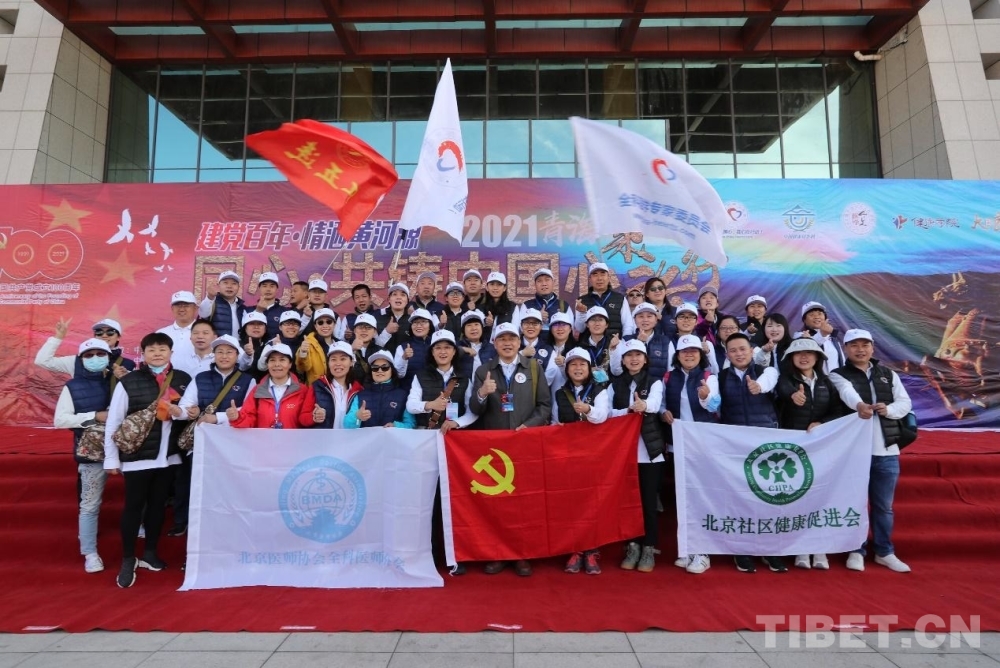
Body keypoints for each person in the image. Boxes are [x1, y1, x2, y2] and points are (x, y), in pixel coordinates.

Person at [103, 332, 192, 588]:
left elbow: (190, 411)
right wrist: (111, 459)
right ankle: (128, 558)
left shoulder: (183, 379)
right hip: (137, 458)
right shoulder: (129, 381)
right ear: (142, 354)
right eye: (151, 349)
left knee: (157, 508)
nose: (157, 353)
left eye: (162, 349)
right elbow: (114, 421)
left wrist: (181, 412)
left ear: (171, 352)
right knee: (134, 507)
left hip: (168, 458)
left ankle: (150, 552)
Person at [471, 322, 551, 576]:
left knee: (524, 502)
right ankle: (499, 553)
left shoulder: (534, 368)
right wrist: (482, 393)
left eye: (512, 339)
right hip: (495, 448)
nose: (507, 343)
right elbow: (475, 409)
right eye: (502, 339)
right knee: (497, 503)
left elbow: (545, 406)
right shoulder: (484, 370)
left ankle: (522, 553)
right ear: (494, 343)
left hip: (525, 444)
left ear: (519, 342)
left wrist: (529, 426)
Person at [830, 329, 913, 574]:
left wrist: (889, 410)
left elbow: (905, 403)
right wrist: (860, 405)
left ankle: (884, 551)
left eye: (865, 344)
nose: (860, 349)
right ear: (846, 349)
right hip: (854, 452)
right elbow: (847, 393)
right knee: (854, 504)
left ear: (872, 348)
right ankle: (856, 549)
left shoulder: (888, 374)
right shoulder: (837, 374)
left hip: (887, 450)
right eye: (854, 345)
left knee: (883, 506)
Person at [716, 332, 783, 574]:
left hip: (765, 445)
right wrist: (706, 399)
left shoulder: (767, 371)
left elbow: (769, 382)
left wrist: (758, 387)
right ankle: (741, 549)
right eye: (733, 350)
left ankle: (769, 549)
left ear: (751, 350)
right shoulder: (720, 377)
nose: (739, 353)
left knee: (767, 497)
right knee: (739, 498)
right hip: (734, 446)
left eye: (743, 349)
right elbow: (713, 403)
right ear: (727, 354)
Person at [175, 334, 254, 537]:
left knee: (229, 489)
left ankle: (229, 531)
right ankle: (195, 530)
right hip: (203, 444)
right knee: (200, 488)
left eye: (229, 352)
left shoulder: (248, 380)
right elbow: (186, 406)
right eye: (220, 352)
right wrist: (183, 412)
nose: (224, 356)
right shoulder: (201, 378)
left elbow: (250, 411)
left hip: (234, 445)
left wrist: (217, 417)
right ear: (214, 355)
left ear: (237, 356)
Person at [775, 337, 842, 571]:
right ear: (791, 358)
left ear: (818, 357)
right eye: (799, 353)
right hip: (793, 450)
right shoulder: (785, 380)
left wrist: (821, 423)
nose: (804, 357)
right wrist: (793, 396)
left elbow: (838, 411)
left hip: (822, 448)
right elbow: (783, 391)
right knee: (797, 497)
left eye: (809, 353)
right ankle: (800, 547)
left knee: (820, 496)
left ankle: (819, 546)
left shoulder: (827, 382)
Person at [53, 338, 115, 574]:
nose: (95, 359)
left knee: (138, 496)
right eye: (89, 355)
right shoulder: (72, 386)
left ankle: (138, 530)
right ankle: (89, 553)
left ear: (109, 357)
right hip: (92, 452)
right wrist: (94, 416)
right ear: (81, 360)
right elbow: (60, 420)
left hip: (126, 450)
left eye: (100, 354)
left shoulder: (122, 380)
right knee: (89, 504)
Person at [660, 334, 719, 575]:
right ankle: (687, 548)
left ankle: (703, 551)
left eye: (694, 351)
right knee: (683, 497)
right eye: (685, 352)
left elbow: (715, 406)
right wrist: (663, 412)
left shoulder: (708, 376)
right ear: (677, 356)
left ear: (700, 354)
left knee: (701, 496)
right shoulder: (668, 377)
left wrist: (705, 397)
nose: (689, 355)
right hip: (678, 443)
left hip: (703, 445)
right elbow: (662, 404)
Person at [551, 347, 609, 575]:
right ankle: (575, 548)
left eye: (582, 364)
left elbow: (603, 416)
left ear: (589, 368)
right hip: (568, 454)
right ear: (567, 369)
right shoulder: (560, 393)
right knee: (572, 502)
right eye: (573, 364)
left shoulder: (600, 390)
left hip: (594, 454)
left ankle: (592, 550)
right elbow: (554, 420)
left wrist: (588, 409)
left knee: (592, 502)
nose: (577, 368)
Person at [608, 339, 665, 573]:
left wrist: (644, 406)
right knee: (629, 502)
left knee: (649, 502)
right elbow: (608, 412)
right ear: (622, 360)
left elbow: (655, 404)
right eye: (629, 355)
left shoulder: (655, 381)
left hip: (649, 452)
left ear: (645, 359)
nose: (634, 359)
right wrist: (628, 410)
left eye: (638, 355)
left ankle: (649, 546)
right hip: (624, 452)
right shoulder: (614, 384)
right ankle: (632, 546)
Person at [229, 343, 316, 429]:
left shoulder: (302, 390)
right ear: (267, 364)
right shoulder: (257, 390)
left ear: (290, 364)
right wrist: (237, 417)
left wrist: (315, 416)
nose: (277, 364)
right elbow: (249, 418)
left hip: (293, 438)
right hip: (264, 438)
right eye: (272, 360)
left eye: (282, 360)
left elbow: (306, 419)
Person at [407, 329, 478, 432]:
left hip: (454, 435)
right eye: (438, 348)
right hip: (427, 434)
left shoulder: (464, 378)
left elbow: (472, 411)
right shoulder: (420, 376)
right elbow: (410, 405)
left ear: (454, 351)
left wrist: (457, 423)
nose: (443, 352)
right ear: (432, 352)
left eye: (447, 347)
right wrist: (430, 405)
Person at [36, 317, 135, 387]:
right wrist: (58, 337)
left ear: (118, 337)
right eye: (99, 332)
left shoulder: (128, 364)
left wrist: (123, 377)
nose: (104, 335)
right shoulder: (76, 361)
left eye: (110, 332)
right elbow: (42, 361)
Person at [343, 350, 415, 429]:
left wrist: (396, 426)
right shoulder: (360, 395)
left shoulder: (403, 395)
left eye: (385, 367)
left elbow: (411, 424)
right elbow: (347, 425)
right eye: (375, 368)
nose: (380, 371)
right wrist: (357, 416)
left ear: (392, 370)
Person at [310, 341, 364, 429]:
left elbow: (361, 421)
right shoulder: (318, 386)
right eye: (333, 359)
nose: (338, 363)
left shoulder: (358, 389)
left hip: (350, 437)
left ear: (351, 362)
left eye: (343, 359)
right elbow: (302, 418)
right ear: (328, 363)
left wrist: (359, 417)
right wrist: (314, 417)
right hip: (324, 437)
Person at [613, 303, 672, 381]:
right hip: (631, 384)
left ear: (656, 320)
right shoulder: (626, 340)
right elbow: (616, 371)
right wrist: (639, 343)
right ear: (634, 320)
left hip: (658, 385)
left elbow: (671, 369)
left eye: (649, 316)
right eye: (641, 316)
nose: (645, 320)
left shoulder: (665, 341)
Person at [575, 262, 634, 338]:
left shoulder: (620, 298)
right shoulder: (581, 301)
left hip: (614, 343)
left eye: (603, 274)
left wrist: (624, 341)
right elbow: (580, 329)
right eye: (595, 274)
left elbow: (627, 325)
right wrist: (582, 313)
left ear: (609, 277)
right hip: (589, 344)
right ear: (590, 279)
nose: (599, 278)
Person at [297, 308, 340, 385]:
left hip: (338, 388)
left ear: (334, 324)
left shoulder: (341, 344)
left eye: (329, 322)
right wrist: (303, 353)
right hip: (316, 389)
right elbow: (302, 368)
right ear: (315, 326)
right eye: (320, 323)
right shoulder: (308, 343)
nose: (325, 325)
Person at [800, 301, 845, 373]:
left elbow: (841, 360)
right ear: (804, 320)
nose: (816, 317)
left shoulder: (832, 338)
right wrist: (821, 334)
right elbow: (807, 349)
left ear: (825, 317)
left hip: (836, 378)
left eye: (820, 314)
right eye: (811, 314)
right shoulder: (800, 336)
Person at [199, 270, 246, 338]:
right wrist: (210, 297)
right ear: (218, 285)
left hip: (238, 344)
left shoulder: (242, 307)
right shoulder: (212, 302)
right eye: (225, 283)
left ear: (239, 287)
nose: (229, 286)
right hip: (217, 344)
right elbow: (203, 314)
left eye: (234, 283)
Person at [157, 290, 199, 367]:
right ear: (172, 308)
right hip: (168, 375)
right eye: (177, 305)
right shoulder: (161, 334)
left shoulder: (205, 334)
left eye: (186, 305)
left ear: (195, 308)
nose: (182, 309)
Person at [579, 306, 619, 383]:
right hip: (587, 385)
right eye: (593, 320)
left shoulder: (615, 343)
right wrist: (589, 370)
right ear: (587, 324)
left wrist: (613, 350)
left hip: (611, 385)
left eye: (600, 320)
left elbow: (618, 370)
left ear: (606, 325)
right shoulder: (581, 347)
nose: (597, 324)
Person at [543, 311, 577, 394]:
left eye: (564, 324)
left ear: (570, 329)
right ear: (550, 329)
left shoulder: (577, 350)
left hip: (569, 395)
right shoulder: (543, 350)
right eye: (555, 325)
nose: (560, 328)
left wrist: (564, 364)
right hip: (545, 394)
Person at [456, 309, 495, 379]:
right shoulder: (457, 346)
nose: (474, 328)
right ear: (463, 330)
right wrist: (463, 349)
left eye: (476, 324)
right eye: (469, 325)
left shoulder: (491, 348)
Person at [481, 272, 520, 341]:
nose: (495, 288)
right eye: (492, 284)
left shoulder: (513, 307)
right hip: (484, 345)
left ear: (504, 288)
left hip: (505, 344)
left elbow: (515, 330)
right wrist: (485, 321)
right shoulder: (480, 307)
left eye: (499, 285)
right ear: (487, 287)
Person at [375, 283, 412, 353]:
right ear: (389, 299)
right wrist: (386, 332)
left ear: (407, 301)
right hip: (383, 359)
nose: (398, 297)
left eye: (403, 295)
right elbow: (374, 347)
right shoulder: (378, 318)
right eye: (394, 294)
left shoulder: (412, 320)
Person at [251, 271, 288, 339]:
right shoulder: (248, 310)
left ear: (277, 289)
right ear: (259, 289)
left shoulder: (285, 312)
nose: (268, 289)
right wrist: (258, 311)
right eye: (264, 286)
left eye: (272, 286)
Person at [238, 311, 270, 379]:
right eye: (251, 324)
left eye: (260, 324)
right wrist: (247, 354)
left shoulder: (269, 347)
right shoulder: (236, 346)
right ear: (245, 328)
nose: (256, 327)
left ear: (265, 329)